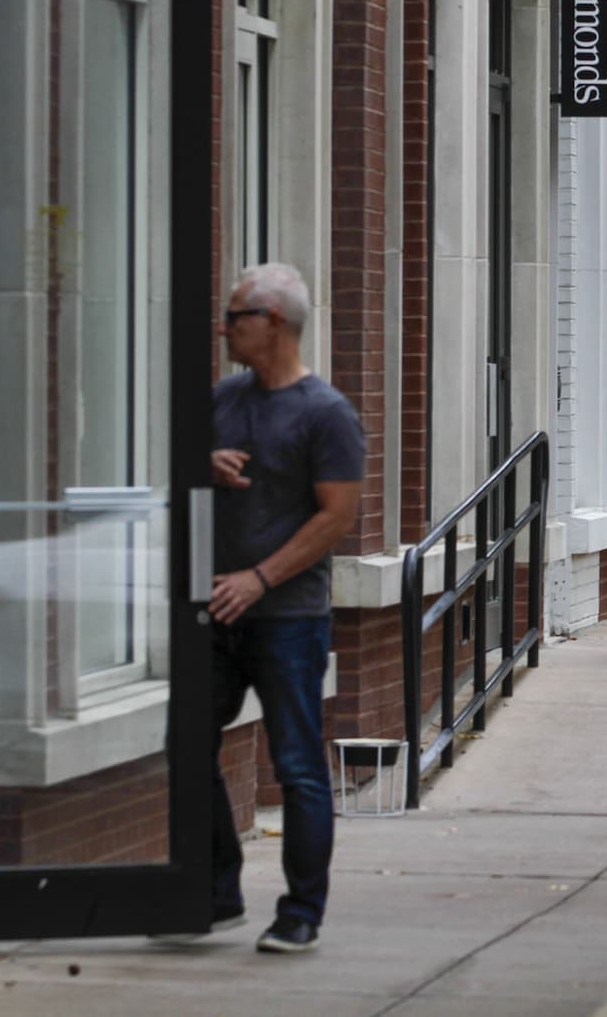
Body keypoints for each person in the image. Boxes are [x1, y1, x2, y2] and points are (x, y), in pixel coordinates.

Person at [211, 263, 364, 954]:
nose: (224, 327)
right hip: (213, 610)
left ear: (272, 322)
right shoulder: (222, 398)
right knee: (185, 740)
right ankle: (213, 890)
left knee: (297, 763)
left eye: (234, 314)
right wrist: (200, 461)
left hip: (288, 616)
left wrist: (259, 579)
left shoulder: (325, 412)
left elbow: (337, 517)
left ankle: (301, 911)